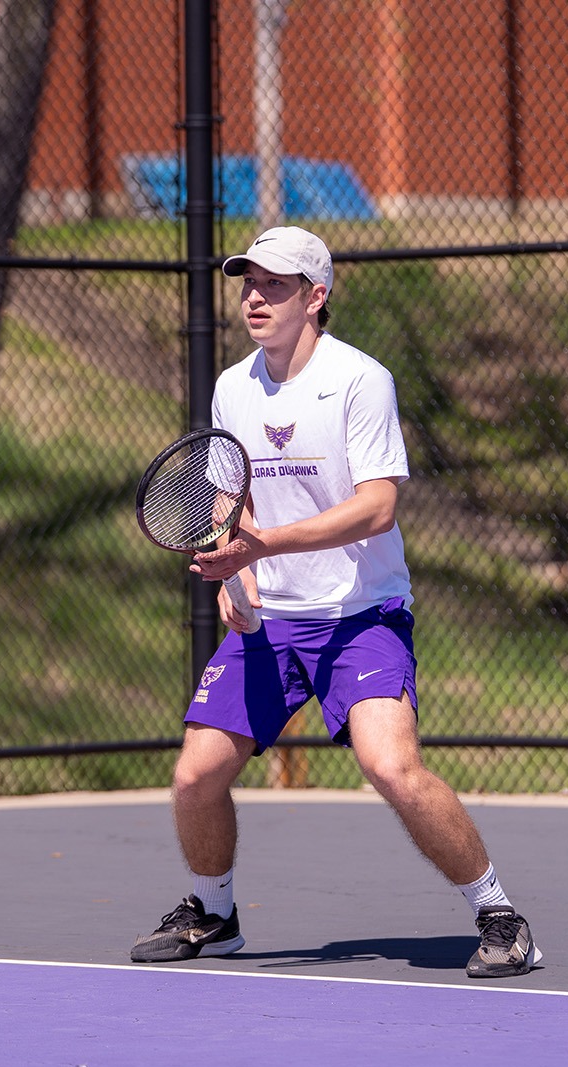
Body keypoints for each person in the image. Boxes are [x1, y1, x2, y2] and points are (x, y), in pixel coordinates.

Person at [129, 226, 540, 978]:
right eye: (248, 282)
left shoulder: (360, 379)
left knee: (393, 768)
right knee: (195, 776)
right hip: (272, 625)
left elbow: (379, 506)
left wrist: (267, 546)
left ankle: (500, 916)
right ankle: (213, 915)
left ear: (316, 297)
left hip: (363, 616)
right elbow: (229, 500)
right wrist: (235, 574)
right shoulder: (232, 386)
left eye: (275, 284)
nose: (255, 296)